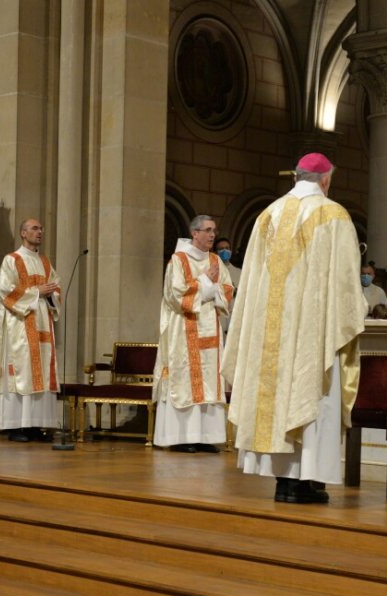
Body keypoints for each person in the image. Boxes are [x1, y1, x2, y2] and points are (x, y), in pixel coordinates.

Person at [223, 152, 367, 504]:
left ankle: (283, 482)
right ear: (326, 180)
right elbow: (347, 283)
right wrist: (354, 311)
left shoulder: (266, 216)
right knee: (314, 395)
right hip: (311, 333)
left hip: (268, 337)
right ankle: (305, 481)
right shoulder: (334, 215)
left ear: (294, 177)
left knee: (276, 397)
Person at [154, 215, 234, 453]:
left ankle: (205, 437)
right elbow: (174, 295)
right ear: (194, 233)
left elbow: (228, 289)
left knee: (210, 378)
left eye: (214, 230)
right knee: (185, 379)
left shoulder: (216, 261)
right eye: (207, 230)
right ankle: (182, 437)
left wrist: (210, 289)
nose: (212, 235)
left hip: (210, 328)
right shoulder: (178, 260)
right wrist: (205, 284)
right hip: (184, 329)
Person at [0, 218, 61, 443]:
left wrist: (51, 295)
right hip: (20, 325)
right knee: (22, 373)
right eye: (34, 228)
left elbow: (56, 288)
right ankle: (15, 426)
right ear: (23, 233)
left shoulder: (45, 262)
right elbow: (3, 289)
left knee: (41, 373)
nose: (40, 232)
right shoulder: (12, 260)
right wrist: (36, 292)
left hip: (42, 324)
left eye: (41, 228)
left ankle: (34, 425)